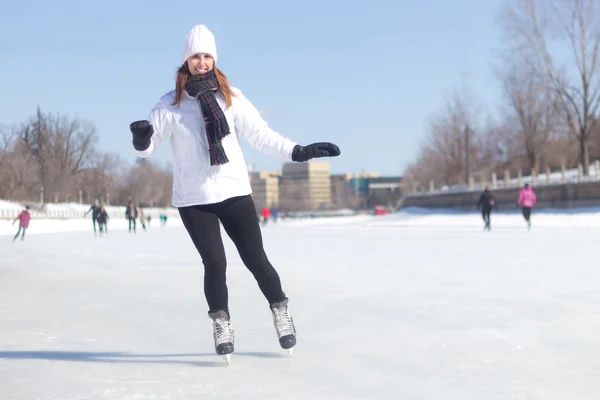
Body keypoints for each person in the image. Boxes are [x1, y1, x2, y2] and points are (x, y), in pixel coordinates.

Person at [128, 24, 340, 360]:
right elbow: (149, 145)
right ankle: (221, 323)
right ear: (186, 61)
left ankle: (280, 311)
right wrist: (141, 137)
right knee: (214, 263)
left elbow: (262, 135)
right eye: (196, 56)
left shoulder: (231, 97)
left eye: (207, 55)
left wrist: (298, 152)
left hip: (233, 192)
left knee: (256, 259)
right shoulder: (170, 104)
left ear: (214, 59)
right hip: (194, 199)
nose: (202, 62)